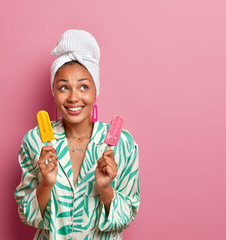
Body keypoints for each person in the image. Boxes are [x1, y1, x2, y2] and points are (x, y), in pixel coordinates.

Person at [14, 29, 140, 240]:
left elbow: (127, 214)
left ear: (95, 91)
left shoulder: (123, 144)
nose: (74, 97)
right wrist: (46, 184)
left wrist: (106, 188)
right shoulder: (35, 141)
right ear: (53, 91)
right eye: (64, 88)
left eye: (83, 87)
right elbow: (26, 215)